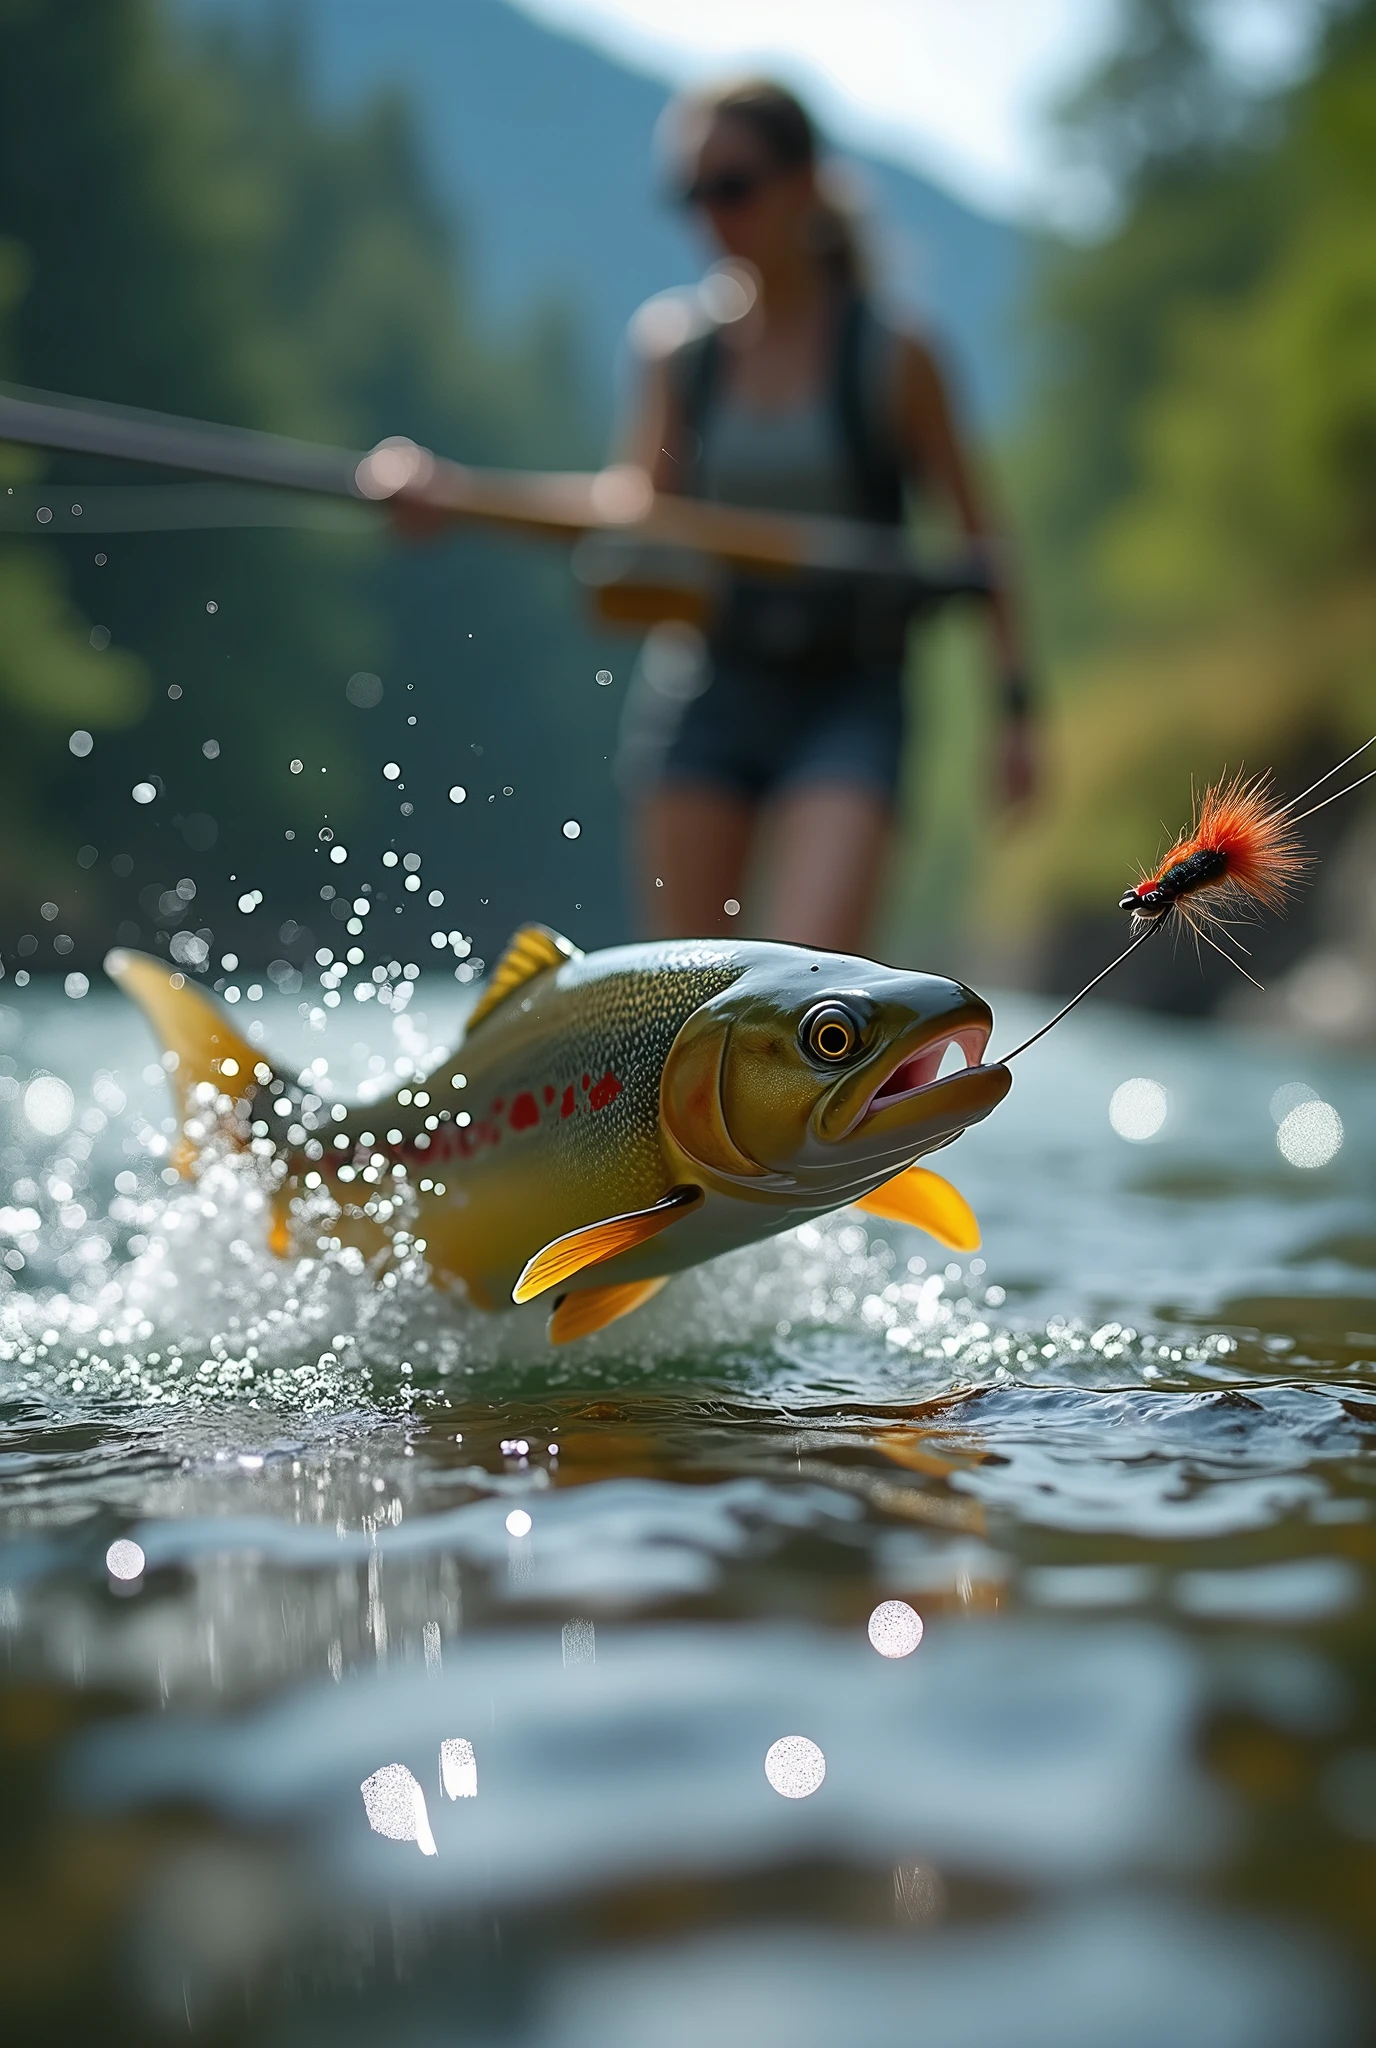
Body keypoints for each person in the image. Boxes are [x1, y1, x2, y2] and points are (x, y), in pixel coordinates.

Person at [617, 79, 1036, 952]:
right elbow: (626, 510)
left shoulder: (898, 357)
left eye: (732, 187)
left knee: (813, 1001)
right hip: (708, 689)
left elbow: (981, 542)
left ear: (804, 182)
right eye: (690, 194)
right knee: (684, 1006)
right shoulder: (673, 351)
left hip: (851, 697)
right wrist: (440, 489)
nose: (710, 216)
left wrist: (1016, 713)